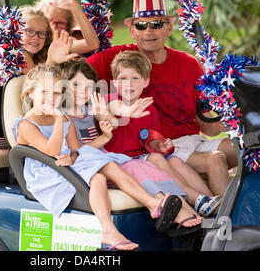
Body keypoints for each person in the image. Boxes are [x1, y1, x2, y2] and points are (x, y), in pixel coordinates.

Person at [13, 64, 202, 250]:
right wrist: (57, 120)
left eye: (56, 93)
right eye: (45, 92)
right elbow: (51, 149)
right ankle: (110, 228)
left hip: (66, 164)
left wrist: (72, 157)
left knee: (105, 170)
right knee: (100, 170)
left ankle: (150, 206)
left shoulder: (63, 117)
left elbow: (76, 149)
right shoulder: (27, 125)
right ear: (29, 93)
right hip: (47, 172)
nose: (51, 99)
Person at [82, 0, 236, 197]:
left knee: (243, 148)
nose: (148, 32)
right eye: (141, 25)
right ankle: (226, 224)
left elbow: (207, 126)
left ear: (169, 28)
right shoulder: (119, 59)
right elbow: (74, 74)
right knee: (215, 158)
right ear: (132, 30)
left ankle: (255, 212)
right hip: (161, 147)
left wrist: (234, 119)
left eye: (156, 24)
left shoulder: (189, 64)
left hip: (192, 140)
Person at [102, 51, 221, 216]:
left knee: (175, 161)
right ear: (115, 82)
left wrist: (159, 145)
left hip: (142, 156)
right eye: (123, 79)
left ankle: (212, 203)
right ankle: (195, 199)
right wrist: (129, 111)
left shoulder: (149, 108)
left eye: (135, 78)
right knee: (156, 159)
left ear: (145, 82)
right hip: (122, 161)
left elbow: (149, 139)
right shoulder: (111, 99)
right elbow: (114, 108)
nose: (129, 83)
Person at [0, 6, 53, 87]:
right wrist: (52, 60)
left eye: (41, 33)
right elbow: (41, 84)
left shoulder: (33, 58)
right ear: (15, 32)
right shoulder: (18, 53)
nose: (36, 37)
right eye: (30, 31)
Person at [35, 0, 100, 57]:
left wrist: (75, 7)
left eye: (60, 23)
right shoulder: (32, 38)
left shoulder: (64, 42)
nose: (54, 28)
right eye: (49, 21)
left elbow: (93, 45)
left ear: (68, 26)